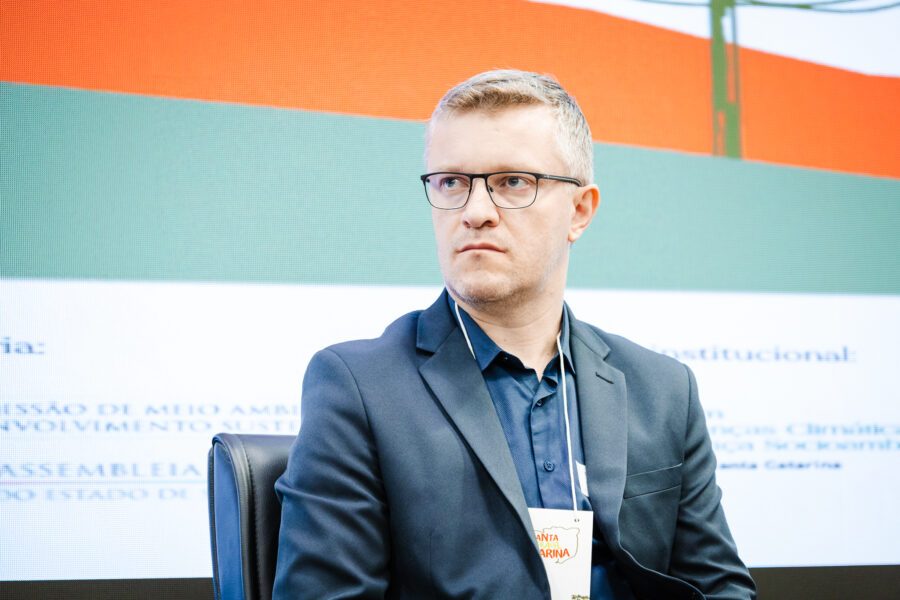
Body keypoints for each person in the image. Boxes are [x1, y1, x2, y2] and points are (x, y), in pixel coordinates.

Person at [273, 70, 756, 600]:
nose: (475, 213)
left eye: (512, 182)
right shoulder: (360, 389)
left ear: (579, 211)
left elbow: (720, 588)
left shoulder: (663, 390)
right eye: (451, 182)